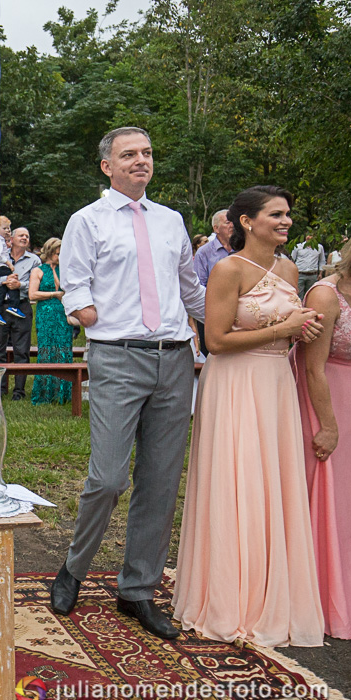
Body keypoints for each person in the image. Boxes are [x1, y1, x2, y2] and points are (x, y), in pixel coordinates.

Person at [50, 128, 205, 640]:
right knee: (110, 477)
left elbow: (191, 290)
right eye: (130, 154)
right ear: (107, 166)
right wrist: (84, 311)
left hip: (175, 359)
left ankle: (136, 589)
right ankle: (74, 566)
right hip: (117, 357)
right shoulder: (87, 220)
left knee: (161, 481)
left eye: (147, 152)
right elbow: (72, 279)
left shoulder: (171, 221)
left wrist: (239, 322)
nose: (142, 161)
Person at [173, 186, 325, 647]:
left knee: (271, 484)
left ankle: (270, 593)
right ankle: (227, 598)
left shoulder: (289, 268)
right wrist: (285, 327)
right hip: (235, 383)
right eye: (276, 215)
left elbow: (290, 328)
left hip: (277, 383)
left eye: (287, 215)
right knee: (236, 480)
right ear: (246, 221)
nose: (285, 222)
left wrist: (304, 331)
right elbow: (215, 340)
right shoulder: (227, 269)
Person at [293, 233, 351, 640]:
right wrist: (328, 426)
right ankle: (324, 597)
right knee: (335, 504)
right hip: (329, 400)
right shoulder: (325, 295)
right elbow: (310, 367)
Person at [0, 227, 39, 400]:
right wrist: (4, 281)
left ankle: (19, 391)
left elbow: (35, 282)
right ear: (12, 239)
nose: (25, 237)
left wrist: (19, 285)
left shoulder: (34, 260)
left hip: (21, 306)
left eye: (27, 236)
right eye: (21, 235)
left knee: (21, 350)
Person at [29, 238, 73, 404]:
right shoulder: (38, 271)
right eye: (57, 254)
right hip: (46, 313)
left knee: (64, 348)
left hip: (63, 313)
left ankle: (63, 392)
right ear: (49, 252)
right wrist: (54, 294)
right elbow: (32, 294)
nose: (60, 257)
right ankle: (45, 392)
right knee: (47, 349)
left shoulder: (65, 270)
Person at [191, 209, 234, 353]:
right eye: (228, 222)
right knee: (212, 352)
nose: (232, 225)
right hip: (212, 312)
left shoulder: (244, 249)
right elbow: (199, 285)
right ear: (216, 228)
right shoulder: (204, 253)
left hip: (241, 312)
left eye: (234, 221)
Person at [292, 233, 327, 298]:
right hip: (300, 274)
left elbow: (322, 261)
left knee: (310, 295)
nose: (308, 237)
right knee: (298, 295)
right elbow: (292, 261)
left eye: (311, 235)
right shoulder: (298, 247)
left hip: (312, 275)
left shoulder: (319, 247)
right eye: (307, 235)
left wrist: (320, 274)